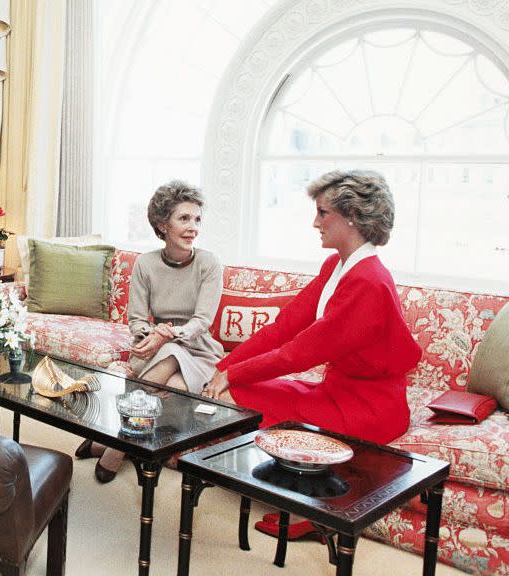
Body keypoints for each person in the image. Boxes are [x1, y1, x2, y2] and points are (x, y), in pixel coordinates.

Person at [203, 170, 421, 540]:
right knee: (239, 393)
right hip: (336, 393)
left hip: (370, 409)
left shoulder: (368, 281)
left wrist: (234, 375)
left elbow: (298, 354)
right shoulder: (336, 266)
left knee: (243, 393)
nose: (314, 223)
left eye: (322, 213)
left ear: (351, 216)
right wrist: (222, 367)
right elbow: (283, 328)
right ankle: (304, 496)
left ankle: (319, 509)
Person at [76, 180, 224, 483]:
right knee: (173, 373)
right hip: (152, 349)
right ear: (162, 224)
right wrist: (155, 335)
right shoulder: (146, 264)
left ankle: (116, 443)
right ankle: (129, 443)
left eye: (197, 219)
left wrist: (167, 335)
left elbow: (202, 322)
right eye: (184, 218)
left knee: (177, 375)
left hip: (198, 350)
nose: (193, 227)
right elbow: (137, 321)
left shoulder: (209, 263)